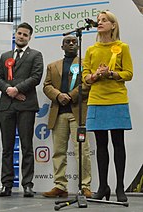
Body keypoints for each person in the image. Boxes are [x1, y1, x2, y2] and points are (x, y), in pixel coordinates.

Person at [82, 11, 133, 202]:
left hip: (117, 99)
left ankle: (120, 187)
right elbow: (85, 76)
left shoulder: (122, 47)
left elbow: (128, 73)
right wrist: (94, 76)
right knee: (101, 145)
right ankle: (103, 186)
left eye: (104, 20)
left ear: (113, 25)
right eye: (99, 21)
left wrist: (111, 74)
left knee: (118, 144)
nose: (100, 23)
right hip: (96, 100)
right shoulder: (91, 50)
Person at [0, 22, 44, 197]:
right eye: (19, 33)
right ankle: (6, 185)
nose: (21, 36)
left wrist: (17, 89)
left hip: (26, 106)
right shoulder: (5, 56)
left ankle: (27, 184)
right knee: (7, 148)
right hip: (6, 106)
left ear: (30, 37)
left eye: (25, 34)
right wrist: (9, 91)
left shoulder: (36, 55)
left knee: (26, 146)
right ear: (15, 34)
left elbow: (36, 77)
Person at [42, 35, 92, 198]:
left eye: (74, 42)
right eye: (67, 42)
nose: (71, 44)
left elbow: (87, 84)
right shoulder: (52, 66)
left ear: (78, 46)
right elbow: (46, 86)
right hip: (59, 114)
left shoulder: (86, 64)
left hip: (78, 113)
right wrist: (58, 96)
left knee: (82, 151)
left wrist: (70, 95)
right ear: (61, 46)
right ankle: (60, 186)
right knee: (58, 151)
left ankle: (85, 185)